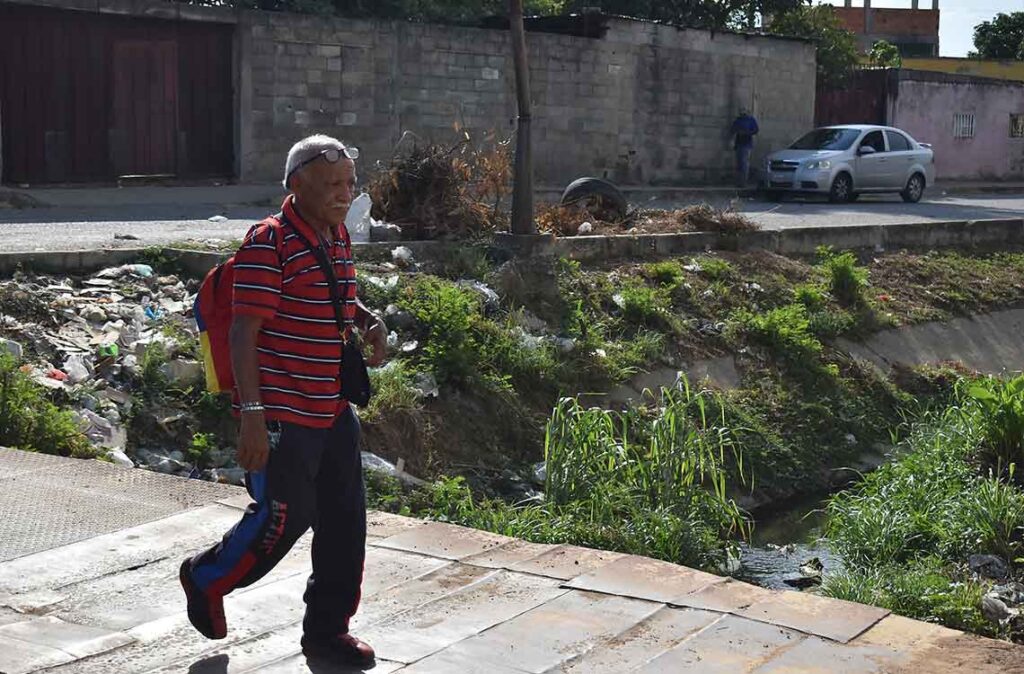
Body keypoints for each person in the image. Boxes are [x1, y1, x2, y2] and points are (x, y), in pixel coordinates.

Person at [179, 134, 387, 668]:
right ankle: (205, 576)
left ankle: (326, 632)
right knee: (283, 520)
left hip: (333, 407)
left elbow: (339, 292)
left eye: (348, 184)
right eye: (331, 186)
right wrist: (251, 417)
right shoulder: (267, 244)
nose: (344, 195)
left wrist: (366, 320)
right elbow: (242, 334)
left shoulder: (335, 233)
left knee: (345, 523)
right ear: (296, 186)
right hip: (282, 414)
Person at [731, 108, 759, 188]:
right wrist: (738, 131)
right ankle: (739, 181)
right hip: (738, 144)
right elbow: (732, 129)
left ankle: (743, 182)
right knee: (739, 164)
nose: (742, 112)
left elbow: (756, 130)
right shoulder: (738, 120)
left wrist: (747, 133)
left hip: (746, 144)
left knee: (744, 164)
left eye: (744, 110)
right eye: (741, 111)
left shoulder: (750, 120)